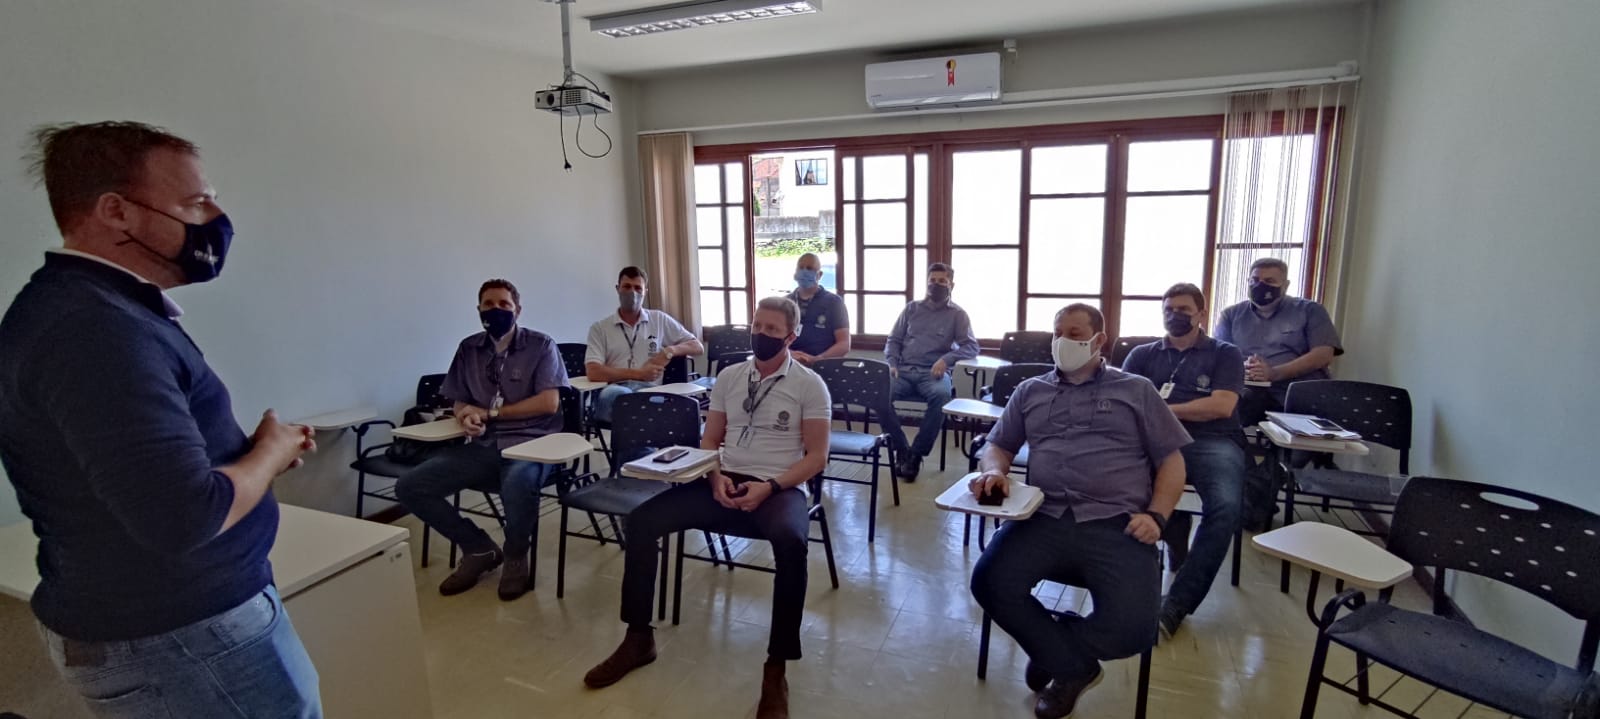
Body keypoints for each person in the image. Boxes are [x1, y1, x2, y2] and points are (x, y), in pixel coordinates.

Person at [0, 121, 321, 716]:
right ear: (116, 212)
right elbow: (182, 515)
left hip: (179, 629)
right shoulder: (92, 330)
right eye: (196, 202)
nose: (217, 218)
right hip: (183, 638)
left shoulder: (93, 310)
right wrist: (269, 454)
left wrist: (247, 456)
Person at [583, 297, 830, 719]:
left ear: (791, 336)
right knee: (642, 521)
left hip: (778, 486)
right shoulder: (731, 377)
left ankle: (776, 668)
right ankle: (638, 638)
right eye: (757, 326)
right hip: (722, 478)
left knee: (791, 542)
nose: (761, 335)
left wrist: (769, 487)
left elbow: (817, 456)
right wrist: (714, 477)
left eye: (772, 330)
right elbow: (710, 440)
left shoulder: (809, 384)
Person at [968, 303, 1190, 719]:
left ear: (1098, 340)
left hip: (1118, 522)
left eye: (1074, 334)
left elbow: (1171, 461)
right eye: (1058, 334)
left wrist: (1157, 516)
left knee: (1135, 629)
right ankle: (1073, 666)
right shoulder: (1031, 391)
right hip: (1043, 515)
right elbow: (998, 445)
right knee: (990, 582)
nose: (1062, 342)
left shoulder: (1136, 390)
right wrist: (994, 471)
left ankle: (1056, 649)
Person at [394, 279, 567, 600]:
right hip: (485, 444)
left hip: (532, 443)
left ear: (517, 310)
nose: (496, 310)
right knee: (410, 487)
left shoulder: (541, 345)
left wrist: (489, 413)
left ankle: (516, 555)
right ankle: (477, 548)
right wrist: (465, 416)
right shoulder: (469, 348)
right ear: (478, 310)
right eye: (489, 304)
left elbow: (549, 403)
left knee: (516, 482)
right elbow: (459, 399)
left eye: (504, 304)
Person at [1121, 283, 1246, 638]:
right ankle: (1157, 543)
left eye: (1183, 310)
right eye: (1169, 309)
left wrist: (1162, 410)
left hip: (1212, 441)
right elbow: (1124, 402)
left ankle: (1177, 603)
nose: (1174, 315)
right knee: (1115, 485)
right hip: (1154, 442)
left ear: (1201, 314)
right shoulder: (1142, 355)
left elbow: (1221, 406)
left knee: (1225, 507)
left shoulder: (1225, 354)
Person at [1213, 257, 1344, 427]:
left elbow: (1323, 355)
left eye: (1269, 281)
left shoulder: (1310, 310)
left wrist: (1274, 373)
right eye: (1254, 280)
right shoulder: (1231, 315)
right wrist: (1244, 368)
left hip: (1299, 394)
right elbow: (1219, 355)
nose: (1260, 286)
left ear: (1285, 285)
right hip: (1250, 393)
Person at [883, 262, 979, 481]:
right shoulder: (911, 309)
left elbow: (971, 346)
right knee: (879, 394)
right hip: (903, 370)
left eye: (942, 281)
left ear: (951, 285)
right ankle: (901, 449)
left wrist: (946, 360)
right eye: (932, 281)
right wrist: (892, 362)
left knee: (942, 397)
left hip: (933, 374)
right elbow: (893, 340)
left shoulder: (958, 314)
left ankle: (916, 454)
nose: (936, 285)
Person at [584, 266, 703, 423]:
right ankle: (636, 437)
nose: (632, 292)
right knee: (620, 396)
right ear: (617, 289)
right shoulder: (600, 328)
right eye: (627, 287)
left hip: (651, 389)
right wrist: (638, 374)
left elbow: (697, 346)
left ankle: (640, 437)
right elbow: (593, 371)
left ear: (645, 291)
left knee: (668, 406)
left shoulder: (659, 319)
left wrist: (668, 351)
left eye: (637, 288)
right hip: (614, 389)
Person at [784, 252, 850, 366]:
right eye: (801, 268)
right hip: (790, 364)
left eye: (809, 268)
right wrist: (789, 354)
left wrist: (817, 360)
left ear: (819, 275)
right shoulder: (784, 303)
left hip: (823, 366)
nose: (804, 271)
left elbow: (844, 344)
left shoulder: (834, 302)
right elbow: (774, 340)